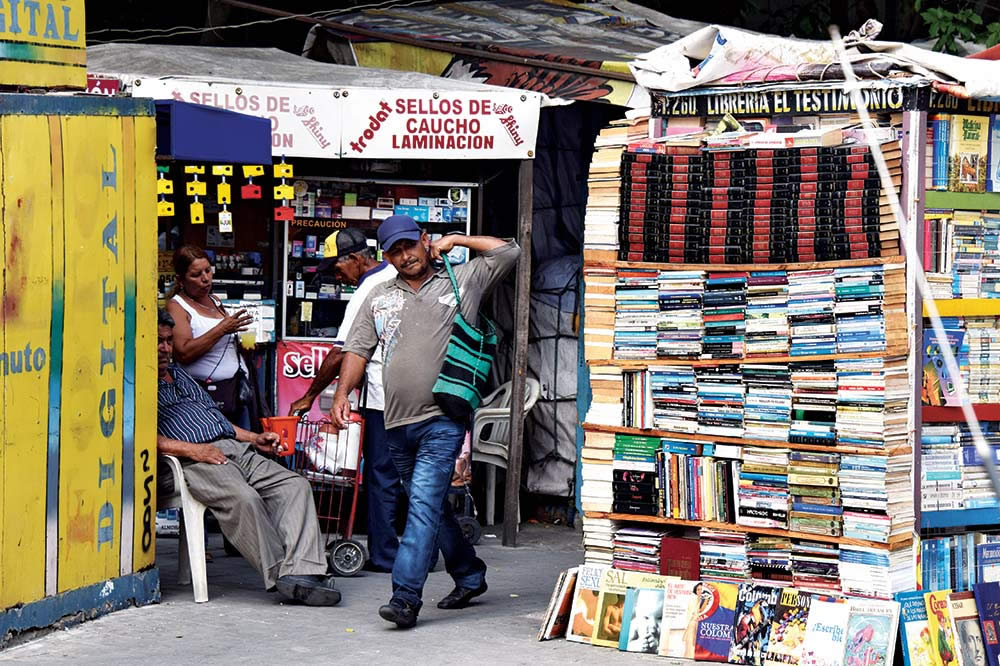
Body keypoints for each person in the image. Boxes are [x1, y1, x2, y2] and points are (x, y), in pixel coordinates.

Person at [332, 215, 519, 629]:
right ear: (386, 257)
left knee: (419, 504)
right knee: (429, 506)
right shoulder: (378, 296)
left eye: (409, 246)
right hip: (396, 423)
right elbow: (358, 350)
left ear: (423, 241)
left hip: (444, 418)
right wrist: (342, 394)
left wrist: (456, 239)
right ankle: (470, 575)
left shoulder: (461, 280)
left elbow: (510, 250)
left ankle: (405, 597)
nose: (405, 256)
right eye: (394, 252)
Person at [157, 309, 340, 606]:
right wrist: (194, 450)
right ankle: (282, 575)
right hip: (194, 459)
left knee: (294, 486)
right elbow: (142, 437)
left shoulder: (180, 375)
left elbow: (219, 422)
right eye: (157, 341)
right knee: (245, 498)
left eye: (167, 341)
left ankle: (303, 572)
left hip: (232, 447)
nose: (164, 348)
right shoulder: (137, 383)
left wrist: (255, 438)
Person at [289, 228, 402, 573]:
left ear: (356, 259)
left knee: (382, 474)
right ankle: (422, 553)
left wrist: (309, 395)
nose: (339, 279)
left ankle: (385, 555)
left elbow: (342, 353)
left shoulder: (369, 287)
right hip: (414, 395)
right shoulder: (398, 273)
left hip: (385, 397)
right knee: (412, 474)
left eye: (338, 270)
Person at [166, 245, 256, 430]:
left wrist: (243, 348)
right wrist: (222, 329)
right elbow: (182, 352)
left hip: (233, 392)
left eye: (208, 270)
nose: (205, 279)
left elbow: (221, 345)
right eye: (196, 275)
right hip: (203, 396)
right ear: (181, 280)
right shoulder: (178, 306)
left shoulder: (215, 300)